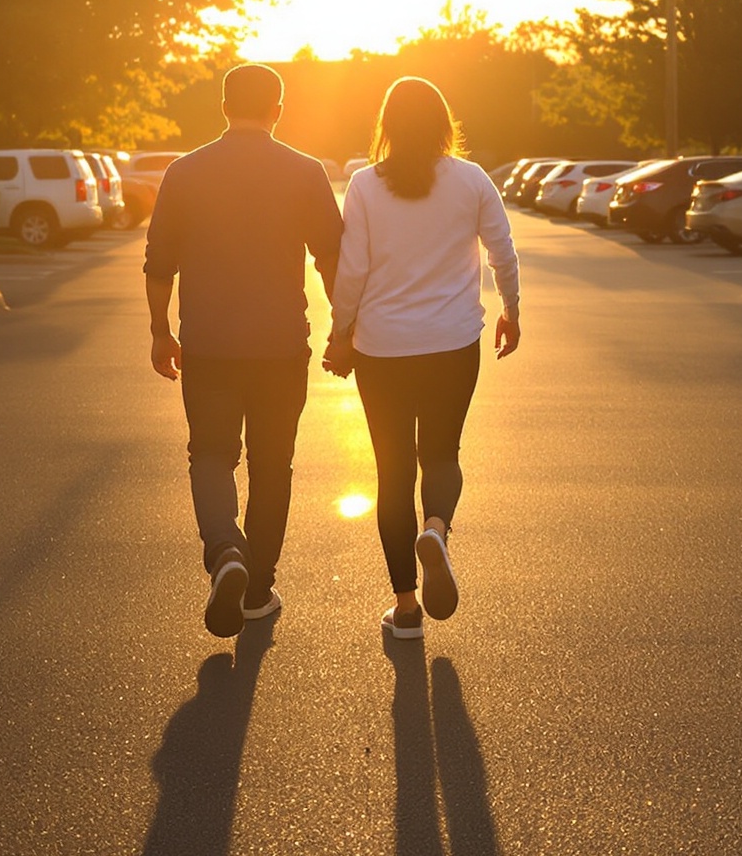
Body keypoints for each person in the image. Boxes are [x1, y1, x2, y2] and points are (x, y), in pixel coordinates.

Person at [144, 64, 343, 638]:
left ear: (223, 105)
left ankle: (225, 550)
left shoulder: (185, 171)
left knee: (210, 455)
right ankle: (257, 589)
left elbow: (159, 262)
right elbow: (331, 258)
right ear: (278, 110)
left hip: (208, 344)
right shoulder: (305, 172)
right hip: (281, 345)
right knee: (271, 465)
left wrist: (161, 330)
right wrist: (343, 328)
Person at [323, 78, 520, 640]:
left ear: (387, 123)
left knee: (392, 472)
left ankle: (406, 608)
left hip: (383, 347)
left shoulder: (364, 184)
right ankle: (436, 526)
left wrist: (340, 334)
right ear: (443, 123)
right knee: (441, 453)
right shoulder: (473, 180)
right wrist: (512, 308)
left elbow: (353, 269)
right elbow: (502, 251)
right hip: (453, 342)